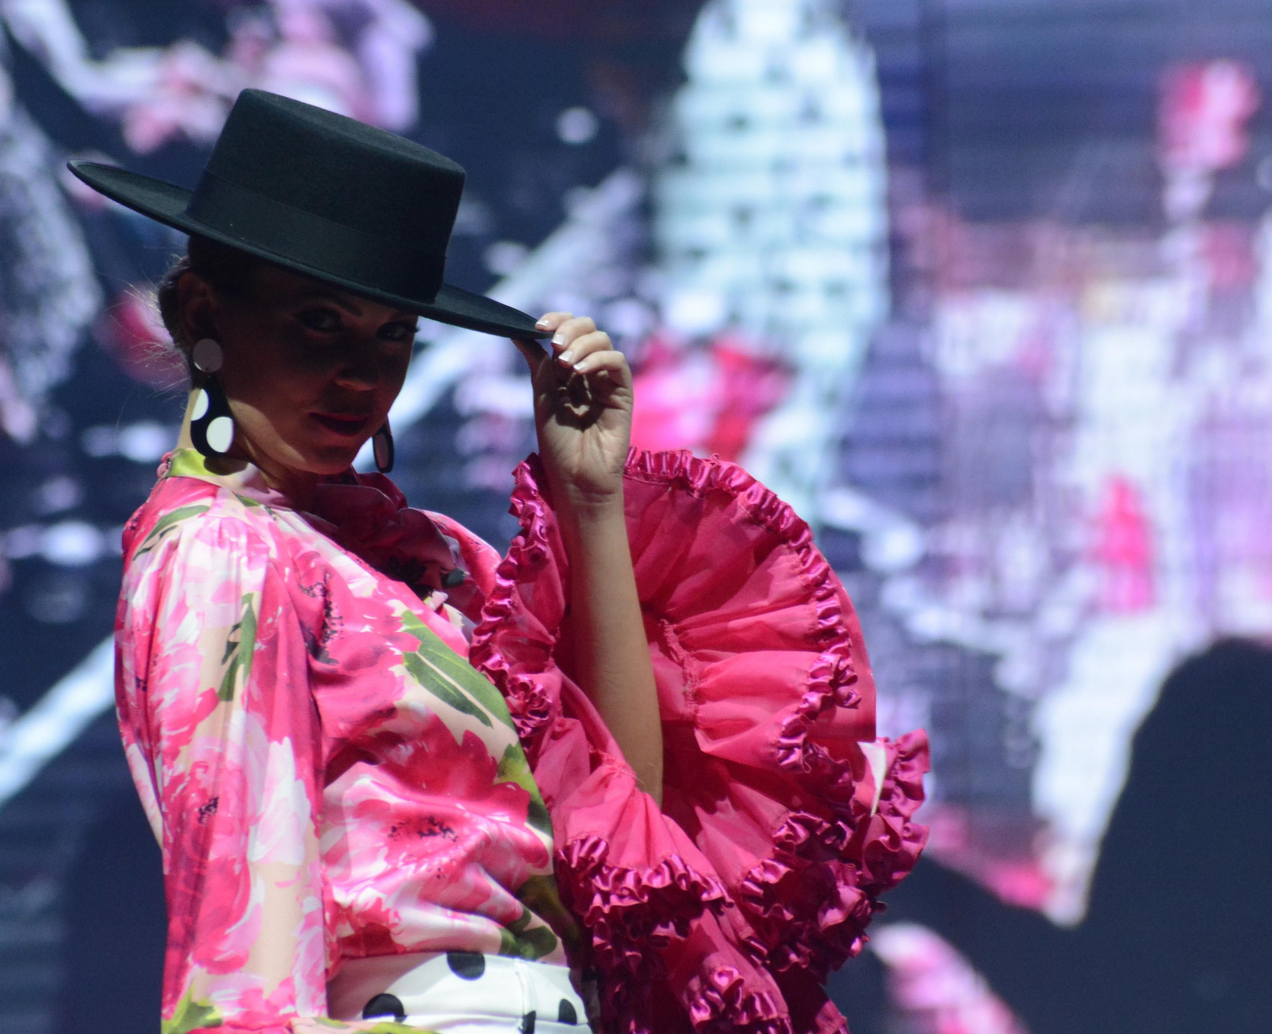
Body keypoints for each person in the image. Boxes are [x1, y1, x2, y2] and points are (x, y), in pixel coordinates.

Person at [74, 89, 928, 1034]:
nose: (362, 375)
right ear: (202, 308)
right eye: (319, 323)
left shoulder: (428, 564)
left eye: (390, 333)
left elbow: (623, 827)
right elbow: (241, 941)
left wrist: (590, 501)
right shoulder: (222, 551)